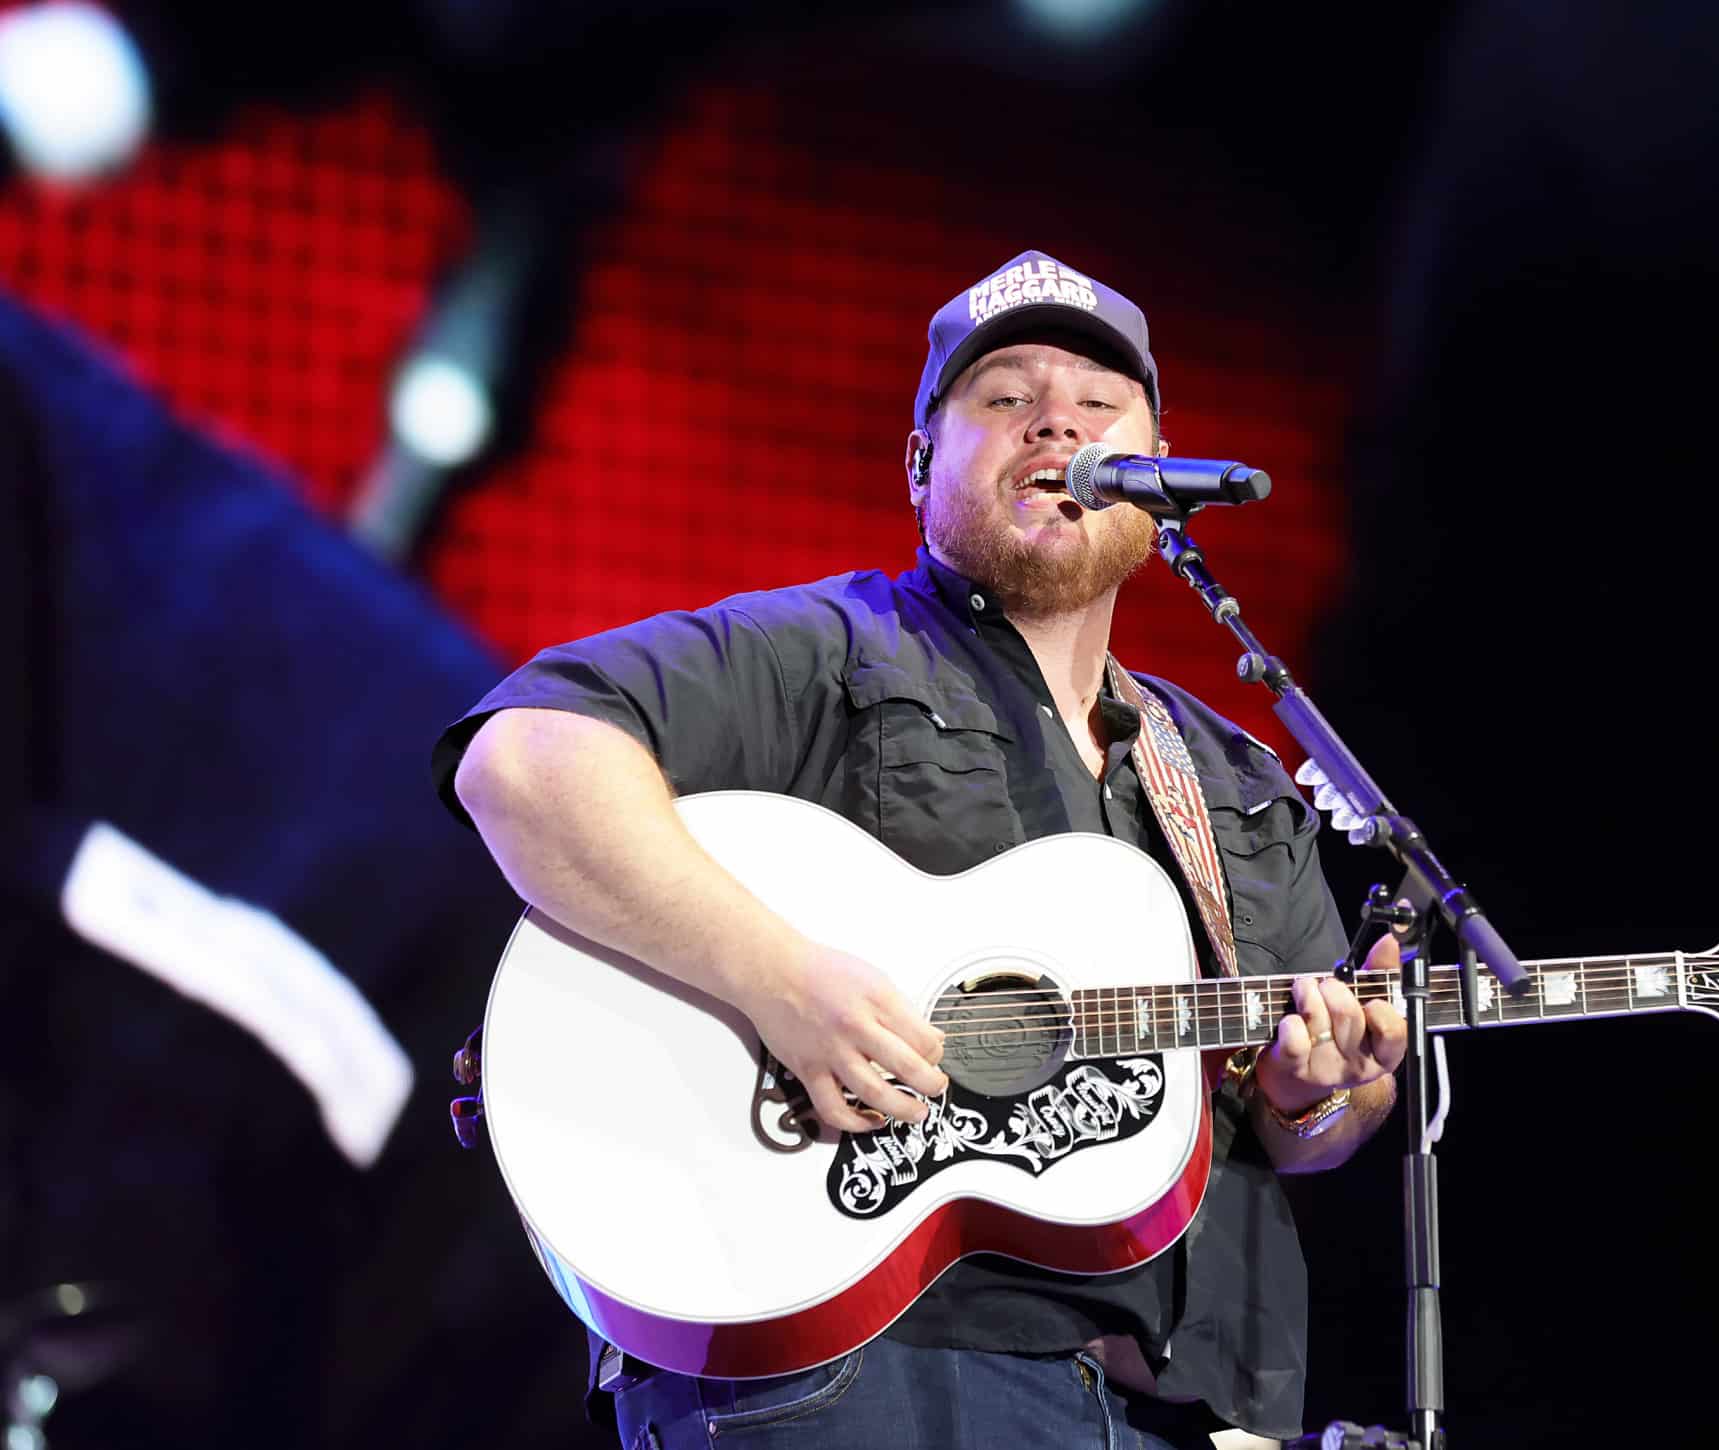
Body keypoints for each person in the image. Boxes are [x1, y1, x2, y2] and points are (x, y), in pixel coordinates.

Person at [431, 249, 1409, 1450]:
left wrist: (1319, 1096)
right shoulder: (825, 651)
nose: (1057, 414)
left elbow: (1312, 1107)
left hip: (1191, 1406)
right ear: (917, 464)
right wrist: (776, 979)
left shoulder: (1230, 778)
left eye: (1098, 402)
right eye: (1004, 396)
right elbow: (523, 761)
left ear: (1154, 470)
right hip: (860, 1367)